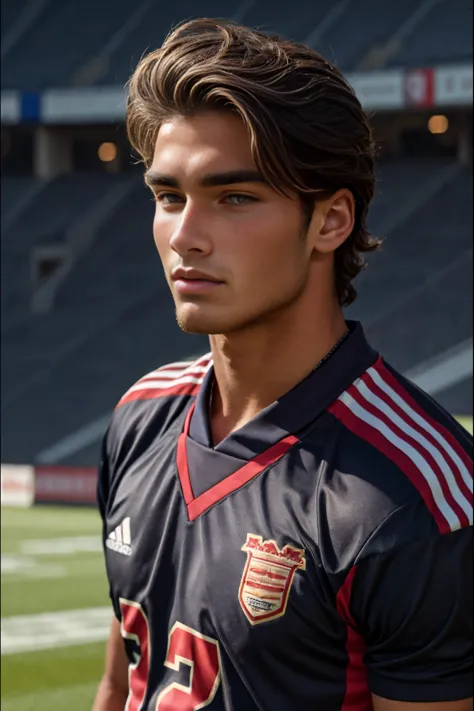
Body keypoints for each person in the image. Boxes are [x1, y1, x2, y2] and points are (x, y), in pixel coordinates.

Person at [92, 18, 473, 711]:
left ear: (330, 221)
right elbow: (124, 684)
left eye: (233, 198)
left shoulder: (413, 495)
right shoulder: (138, 415)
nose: (185, 236)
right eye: (168, 196)